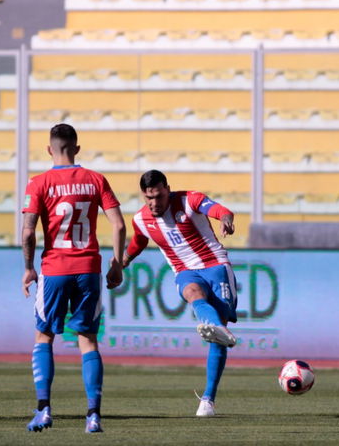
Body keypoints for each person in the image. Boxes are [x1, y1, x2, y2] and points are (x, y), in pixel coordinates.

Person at [21, 123, 126, 433]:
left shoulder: (38, 183)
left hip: (55, 268)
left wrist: (29, 267)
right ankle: (93, 415)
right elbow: (119, 225)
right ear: (77, 148)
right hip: (88, 269)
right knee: (88, 339)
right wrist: (117, 264)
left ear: (49, 149)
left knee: (44, 336)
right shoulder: (96, 180)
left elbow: (28, 232)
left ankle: (44, 410)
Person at [123, 169, 238, 418]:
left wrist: (225, 219)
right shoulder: (141, 219)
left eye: (159, 196)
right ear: (143, 195)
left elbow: (220, 210)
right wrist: (123, 261)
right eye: (149, 198)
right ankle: (216, 327)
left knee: (217, 338)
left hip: (216, 266)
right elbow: (138, 241)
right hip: (184, 271)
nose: (154, 203)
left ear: (168, 189)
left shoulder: (189, 200)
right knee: (193, 295)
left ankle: (208, 398)